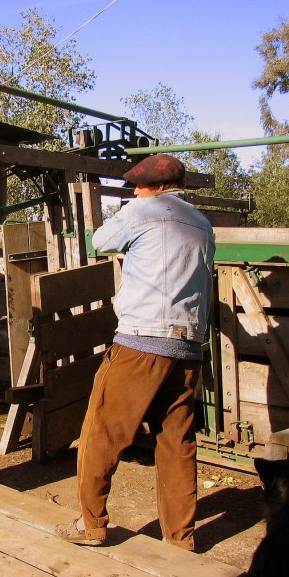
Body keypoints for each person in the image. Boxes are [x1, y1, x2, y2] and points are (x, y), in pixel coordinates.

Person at [55, 154, 215, 551]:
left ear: (157, 187)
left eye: (138, 186)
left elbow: (98, 241)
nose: (134, 192)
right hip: (188, 347)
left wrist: (126, 212)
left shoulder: (144, 210)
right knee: (176, 441)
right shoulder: (203, 223)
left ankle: (90, 525)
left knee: (102, 433)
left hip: (141, 342)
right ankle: (180, 537)